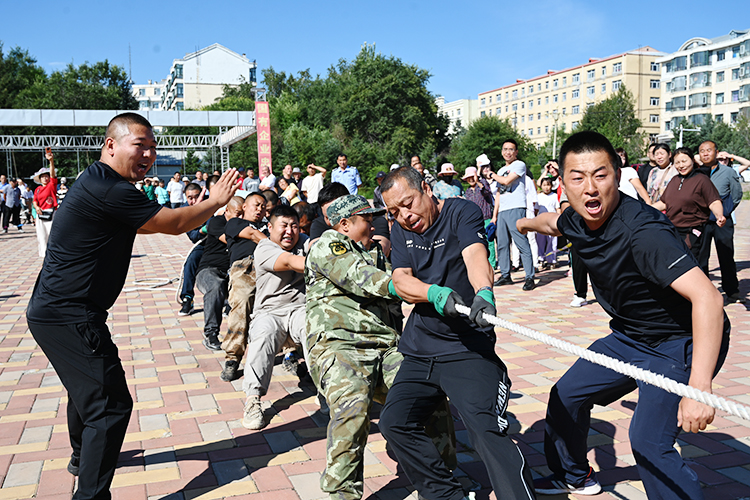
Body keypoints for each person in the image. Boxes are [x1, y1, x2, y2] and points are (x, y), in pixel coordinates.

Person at [25, 112, 239, 500]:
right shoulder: (110, 188)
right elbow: (173, 223)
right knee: (109, 407)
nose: (149, 155)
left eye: (153, 148)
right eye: (139, 145)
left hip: (55, 310)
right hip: (69, 314)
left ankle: (81, 458)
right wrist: (215, 201)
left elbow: (145, 223)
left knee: (86, 389)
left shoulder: (99, 181)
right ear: (111, 145)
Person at [517, 131, 730, 499]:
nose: (590, 188)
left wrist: (699, 387)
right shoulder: (577, 218)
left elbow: (709, 299)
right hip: (629, 337)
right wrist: (523, 224)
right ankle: (574, 475)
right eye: (577, 178)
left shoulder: (643, 231)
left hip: (679, 342)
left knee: (648, 441)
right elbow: (554, 222)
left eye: (600, 175)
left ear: (617, 175)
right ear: (562, 182)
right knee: (566, 396)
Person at [378, 166, 535, 500]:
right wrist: (432, 293)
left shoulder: (461, 212)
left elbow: (475, 253)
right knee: (394, 423)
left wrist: (484, 292)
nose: (405, 216)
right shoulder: (402, 231)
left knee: (485, 431)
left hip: (467, 349)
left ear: (426, 189)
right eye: (394, 211)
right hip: (420, 349)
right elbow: (401, 280)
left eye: (408, 203)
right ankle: (447, 496)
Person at [305, 194, 456, 500]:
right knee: (353, 406)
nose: (374, 226)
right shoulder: (329, 244)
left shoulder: (376, 251)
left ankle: (441, 480)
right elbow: (362, 278)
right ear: (344, 225)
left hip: (386, 346)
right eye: (367, 220)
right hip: (340, 344)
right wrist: (410, 287)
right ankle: (342, 493)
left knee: (428, 395)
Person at [242, 205, 309, 430]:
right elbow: (289, 262)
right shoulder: (264, 248)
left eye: (294, 226)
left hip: (300, 309)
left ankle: (328, 392)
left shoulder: (304, 242)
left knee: (315, 328)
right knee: (264, 334)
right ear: (270, 228)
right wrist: (323, 261)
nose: (290, 231)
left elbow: (315, 244)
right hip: (269, 311)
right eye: (284, 225)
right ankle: (253, 399)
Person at [651, 147, 725, 270]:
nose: (681, 165)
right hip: (674, 230)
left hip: (693, 231)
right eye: (677, 163)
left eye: (684, 161)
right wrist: (646, 209)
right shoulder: (675, 180)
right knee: (676, 266)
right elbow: (664, 203)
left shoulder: (701, 179)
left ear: (692, 160)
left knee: (694, 266)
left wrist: (719, 216)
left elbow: (713, 201)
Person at [221, 192, 269, 381]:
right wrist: (273, 244)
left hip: (270, 265)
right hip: (245, 267)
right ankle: (233, 358)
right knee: (241, 303)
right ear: (245, 207)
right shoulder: (235, 223)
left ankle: (292, 353)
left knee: (286, 302)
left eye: (263, 206)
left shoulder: (270, 225)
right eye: (256, 205)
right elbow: (252, 234)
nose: (260, 209)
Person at [697, 140, 743, 303]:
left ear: (716, 153)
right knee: (700, 256)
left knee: (726, 254)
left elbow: (736, 194)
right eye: (702, 151)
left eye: (709, 150)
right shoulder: (696, 173)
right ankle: (702, 291)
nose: (705, 153)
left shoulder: (728, 172)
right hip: (702, 220)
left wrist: (725, 211)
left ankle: (732, 290)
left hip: (722, 220)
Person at [195, 196, 244, 350]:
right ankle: (211, 334)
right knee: (216, 286)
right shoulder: (217, 222)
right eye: (238, 214)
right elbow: (231, 241)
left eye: (243, 214)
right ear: (227, 211)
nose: (241, 218)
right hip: (209, 271)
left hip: (234, 272)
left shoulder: (246, 226)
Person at [491, 139, 535, 290]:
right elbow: (498, 194)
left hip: (516, 207)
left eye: (511, 149)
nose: (507, 152)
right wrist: (495, 215)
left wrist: (491, 175)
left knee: (521, 242)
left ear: (516, 152)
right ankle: (505, 275)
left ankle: (529, 277)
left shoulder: (519, 165)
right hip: (502, 210)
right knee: (502, 244)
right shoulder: (500, 171)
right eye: (505, 149)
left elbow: (506, 181)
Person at [177, 183, 209, 316]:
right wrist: (203, 230)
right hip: (202, 244)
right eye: (190, 198)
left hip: (219, 242)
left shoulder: (210, 204)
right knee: (190, 263)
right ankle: (187, 298)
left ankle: (228, 299)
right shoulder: (184, 211)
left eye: (197, 196)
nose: (194, 201)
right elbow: (194, 237)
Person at [463, 166, 496, 268]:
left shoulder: (483, 184)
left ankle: (492, 265)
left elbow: (486, 192)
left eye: (472, 177)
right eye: (468, 178)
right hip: (475, 221)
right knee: (478, 243)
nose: (471, 179)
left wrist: (478, 182)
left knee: (490, 242)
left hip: (486, 218)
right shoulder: (468, 192)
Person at [32, 150, 59, 258]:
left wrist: (51, 161)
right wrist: (36, 207)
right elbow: (35, 200)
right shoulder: (38, 189)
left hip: (51, 213)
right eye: (42, 176)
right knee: (42, 236)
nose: (45, 178)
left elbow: (53, 175)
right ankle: (44, 255)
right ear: (40, 179)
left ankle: (54, 254)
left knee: (52, 235)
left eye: (46, 176)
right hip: (41, 214)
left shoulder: (51, 185)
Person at [536, 178, 560, 269]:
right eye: (544, 185)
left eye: (548, 185)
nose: (546, 187)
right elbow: (536, 210)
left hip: (552, 221)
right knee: (540, 241)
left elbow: (557, 208)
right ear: (541, 186)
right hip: (541, 222)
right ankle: (540, 258)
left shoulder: (554, 196)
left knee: (552, 241)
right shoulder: (539, 196)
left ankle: (551, 260)